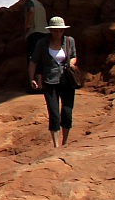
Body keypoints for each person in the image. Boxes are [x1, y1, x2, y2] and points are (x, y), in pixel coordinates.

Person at [28, 17, 78, 148]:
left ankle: (65, 142)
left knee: (67, 111)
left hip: (67, 80)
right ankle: (56, 146)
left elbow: (73, 56)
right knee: (54, 113)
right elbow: (33, 61)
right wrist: (32, 79)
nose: (58, 33)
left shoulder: (69, 41)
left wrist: (71, 63)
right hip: (50, 81)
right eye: (55, 31)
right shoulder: (42, 43)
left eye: (60, 30)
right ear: (50, 31)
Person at [21, 0, 47, 70]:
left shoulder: (30, 3)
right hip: (46, 32)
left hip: (35, 32)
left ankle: (34, 78)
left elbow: (31, 11)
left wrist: (28, 24)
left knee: (33, 57)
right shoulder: (40, 4)